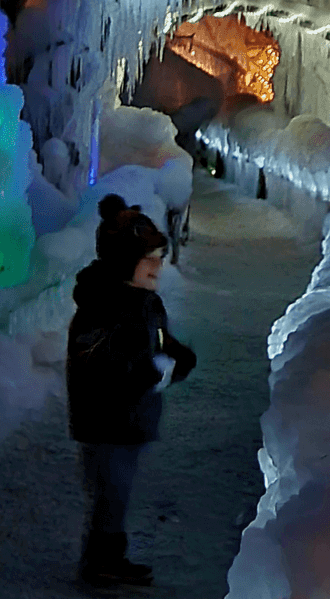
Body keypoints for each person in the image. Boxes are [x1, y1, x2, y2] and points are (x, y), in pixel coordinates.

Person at [66, 193, 197, 587]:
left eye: (160, 256)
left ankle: (110, 556)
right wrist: (140, 374)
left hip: (133, 417)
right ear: (125, 261)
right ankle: (101, 562)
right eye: (150, 259)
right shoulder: (102, 306)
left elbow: (155, 338)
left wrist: (176, 353)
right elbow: (95, 362)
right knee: (110, 494)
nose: (159, 266)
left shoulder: (145, 302)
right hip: (105, 421)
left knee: (117, 494)